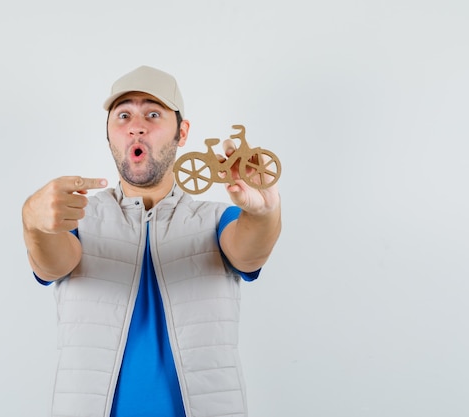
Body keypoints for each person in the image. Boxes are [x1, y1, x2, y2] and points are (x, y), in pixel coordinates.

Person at [22, 65, 282, 417]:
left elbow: (249, 252)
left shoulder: (216, 219)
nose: (136, 125)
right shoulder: (78, 218)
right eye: (123, 115)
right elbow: (52, 263)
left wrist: (264, 213)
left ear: (182, 132)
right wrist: (34, 223)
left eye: (153, 114)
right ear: (110, 135)